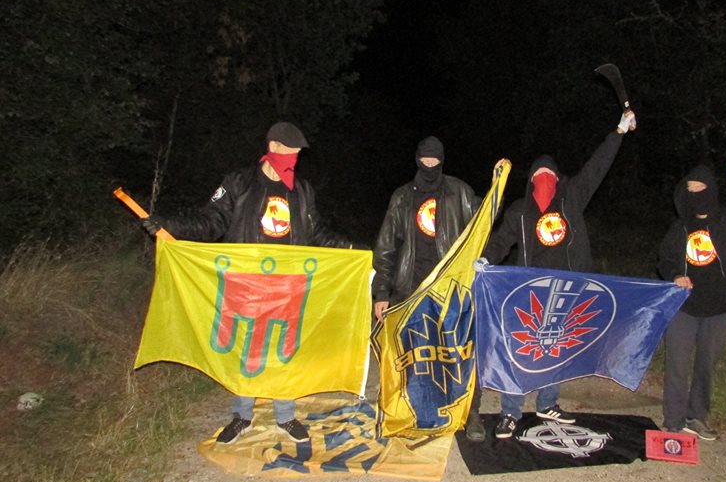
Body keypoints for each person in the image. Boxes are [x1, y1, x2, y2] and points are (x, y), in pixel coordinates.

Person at [141, 121, 351, 445]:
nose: (294, 158)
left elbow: (316, 232)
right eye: (290, 150)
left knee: (284, 349)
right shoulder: (238, 183)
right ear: (273, 146)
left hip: (287, 283)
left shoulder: (301, 190)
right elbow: (211, 221)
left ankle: (285, 416)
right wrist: (170, 225)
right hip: (246, 282)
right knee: (246, 349)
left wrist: (348, 248)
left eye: (298, 153)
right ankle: (242, 415)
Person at [480, 109, 637, 439]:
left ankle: (547, 402)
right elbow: (500, 241)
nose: (545, 180)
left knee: (555, 347)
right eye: (539, 175)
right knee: (521, 348)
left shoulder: (571, 200)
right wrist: (484, 258)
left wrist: (618, 132)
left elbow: (596, 167)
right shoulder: (520, 211)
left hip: (566, 287)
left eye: (550, 175)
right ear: (531, 181)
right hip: (528, 289)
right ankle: (510, 411)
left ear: (558, 178)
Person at [371, 136, 482, 438]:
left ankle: (470, 413)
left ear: (442, 160)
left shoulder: (460, 192)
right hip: (411, 288)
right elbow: (385, 248)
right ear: (417, 159)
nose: (429, 165)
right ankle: (411, 410)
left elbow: (482, 226)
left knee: (460, 351)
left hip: (450, 287)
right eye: (425, 159)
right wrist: (382, 292)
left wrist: (498, 186)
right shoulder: (402, 197)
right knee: (413, 355)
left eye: (435, 160)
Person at [657, 156, 726, 441]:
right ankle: (673, 421)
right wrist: (674, 276)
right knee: (677, 365)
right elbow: (665, 259)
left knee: (705, 366)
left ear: (712, 191)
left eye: (700, 188)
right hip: (683, 307)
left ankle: (697, 417)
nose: (696, 194)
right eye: (690, 189)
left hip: (718, 308)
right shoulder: (680, 228)